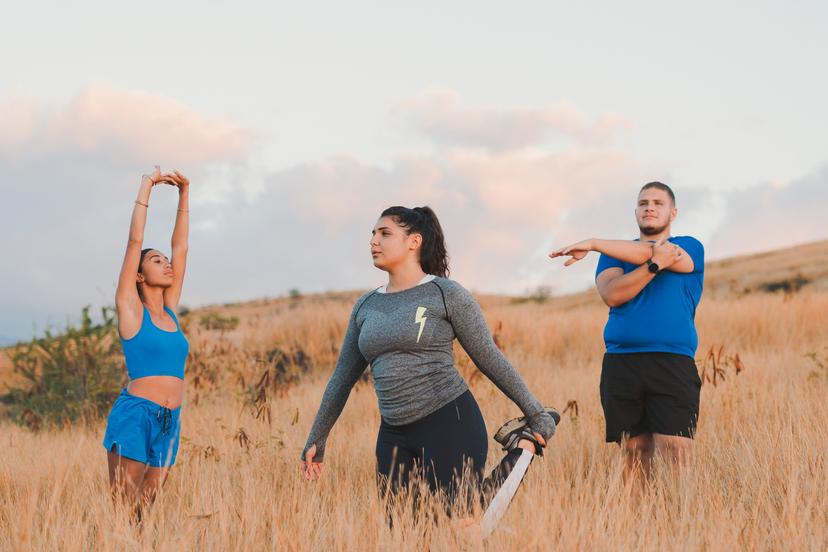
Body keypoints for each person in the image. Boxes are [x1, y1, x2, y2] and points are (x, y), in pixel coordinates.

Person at [301, 205, 556, 511]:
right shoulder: (365, 306)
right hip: (393, 433)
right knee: (405, 535)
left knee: (466, 523)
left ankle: (524, 446)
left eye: (385, 233)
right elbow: (342, 378)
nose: (373, 241)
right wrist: (318, 437)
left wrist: (536, 412)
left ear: (414, 241)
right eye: (372, 234)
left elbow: (489, 358)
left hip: (448, 421)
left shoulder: (445, 293)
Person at [549, 181, 704, 479]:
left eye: (658, 203)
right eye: (644, 202)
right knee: (634, 450)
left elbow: (666, 254)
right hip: (623, 362)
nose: (650, 207)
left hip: (672, 361)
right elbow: (613, 294)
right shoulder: (614, 254)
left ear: (673, 212)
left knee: (677, 447)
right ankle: (636, 525)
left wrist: (594, 242)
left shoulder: (690, 246)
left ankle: (683, 521)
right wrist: (654, 266)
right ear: (635, 211)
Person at [103, 166, 191, 520]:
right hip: (135, 415)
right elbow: (134, 242)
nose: (167, 264)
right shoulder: (130, 311)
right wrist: (148, 185)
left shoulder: (170, 312)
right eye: (158, 262)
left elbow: (181, 246)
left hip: (171, 419)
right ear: (139, 275)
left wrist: (185, 193)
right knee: (124, 509)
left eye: (166, 261)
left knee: (144, 510)